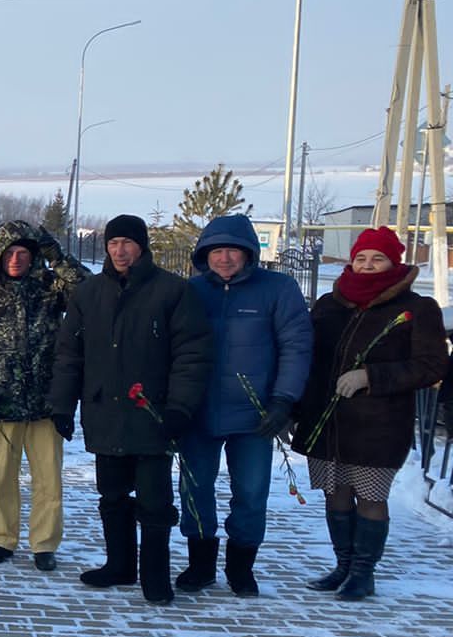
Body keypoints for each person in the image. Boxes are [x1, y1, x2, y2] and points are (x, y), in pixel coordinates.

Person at [49, 214, 212, 605]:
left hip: (153, 415)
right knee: (112, 495)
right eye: (113, 243)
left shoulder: (173, 291)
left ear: (142, 246)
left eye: (127, 243)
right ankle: (119, 564)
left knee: (155, 501)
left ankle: (154, 576)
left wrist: (180, 407)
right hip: (106, 410)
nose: (120, 251)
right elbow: (70, 354)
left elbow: (191, 355)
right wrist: (62, 404)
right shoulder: (89, 293)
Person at [293, 226, 446, 602]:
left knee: (371, 497)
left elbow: (431, 366)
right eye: (361, 258)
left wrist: (371, 376)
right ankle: (342, 566)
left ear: (394, 262)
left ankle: (363, 573)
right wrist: (296, 408)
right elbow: (308, 359)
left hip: (379, 425)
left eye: (377, 258)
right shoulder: (331, 304)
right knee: (335, 493)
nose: (367, 266)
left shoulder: (416, 309)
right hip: (328, 422)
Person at [175, 214, 312, 597]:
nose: (224, 258)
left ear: (249, 253)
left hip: (256, 415)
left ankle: (241, 569)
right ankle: (200, 566)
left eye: (232, 250)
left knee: (251, 493)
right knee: (195, 488)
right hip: (199, 413)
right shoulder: (192, 291)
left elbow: (296, 346)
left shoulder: (278, 290)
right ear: (204, 254)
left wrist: (284, 399)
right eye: (216, 250)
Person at [0, 221, 90, 570]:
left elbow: (86, 288)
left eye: (23, 253)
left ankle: (44, 544)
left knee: (49, 479)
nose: (16, 259)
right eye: (10, 253)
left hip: (44, 402)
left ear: (33, 256)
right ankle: (1, 539)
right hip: (0, 401)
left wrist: (54, 254)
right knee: (0, 478)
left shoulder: (48, 287)